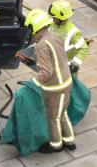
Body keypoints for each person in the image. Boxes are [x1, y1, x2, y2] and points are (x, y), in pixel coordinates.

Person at [24, 9, 74, 153]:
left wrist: (33, 82)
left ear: (35, 27)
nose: (30, 33)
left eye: (30, 29)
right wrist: (34, 61)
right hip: (66, 83)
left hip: (55, 89)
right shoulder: (54, 36)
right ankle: (70, 141)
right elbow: (56, 57)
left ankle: (56, 145)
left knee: (52, 117)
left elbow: (46, 72)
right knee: (62, 113)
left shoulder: (41, 46)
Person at [48, 0, 88, 73]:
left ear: (62, 18)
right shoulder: (51, 23)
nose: (52, 19)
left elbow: (83, 48)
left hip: (66, 66)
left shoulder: (73, 32)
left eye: (54, 18)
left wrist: (75, 64)